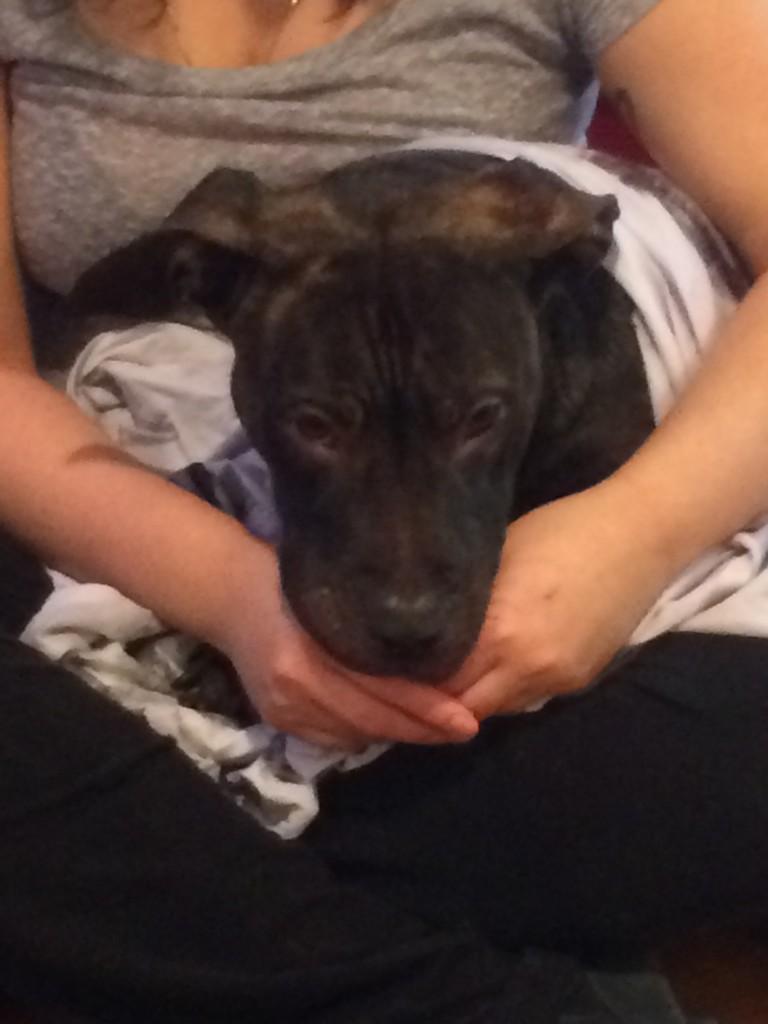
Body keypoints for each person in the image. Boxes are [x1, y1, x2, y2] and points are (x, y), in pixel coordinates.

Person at [0, 0, 767, 1020]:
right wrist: (232, 595)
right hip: (114, 488)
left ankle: (165, 890)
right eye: (321, 427)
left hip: (638, 490)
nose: (407, 596)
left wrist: (632, 535)